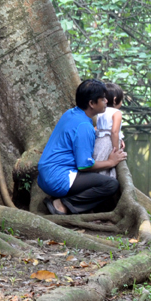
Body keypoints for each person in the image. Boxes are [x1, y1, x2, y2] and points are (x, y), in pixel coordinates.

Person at [37, 79, 126, 215]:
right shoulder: (84, 127)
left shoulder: (71, 113)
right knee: (110, 184)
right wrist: (111, 162)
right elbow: (84, 166)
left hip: (44, 177)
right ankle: (62, 205)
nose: (106, 101)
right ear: (91, 103)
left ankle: (61, 199)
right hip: (59, 179)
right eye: (102, 99)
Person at [93, 82, 125, 179]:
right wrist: (117, 150)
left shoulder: (100, 112)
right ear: (115, 100)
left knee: (99, 160)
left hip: (98, 141)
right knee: (107, 170)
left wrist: (121, 139)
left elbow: (97, 128)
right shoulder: (117, 113)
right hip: (108, 141)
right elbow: (114, 132)